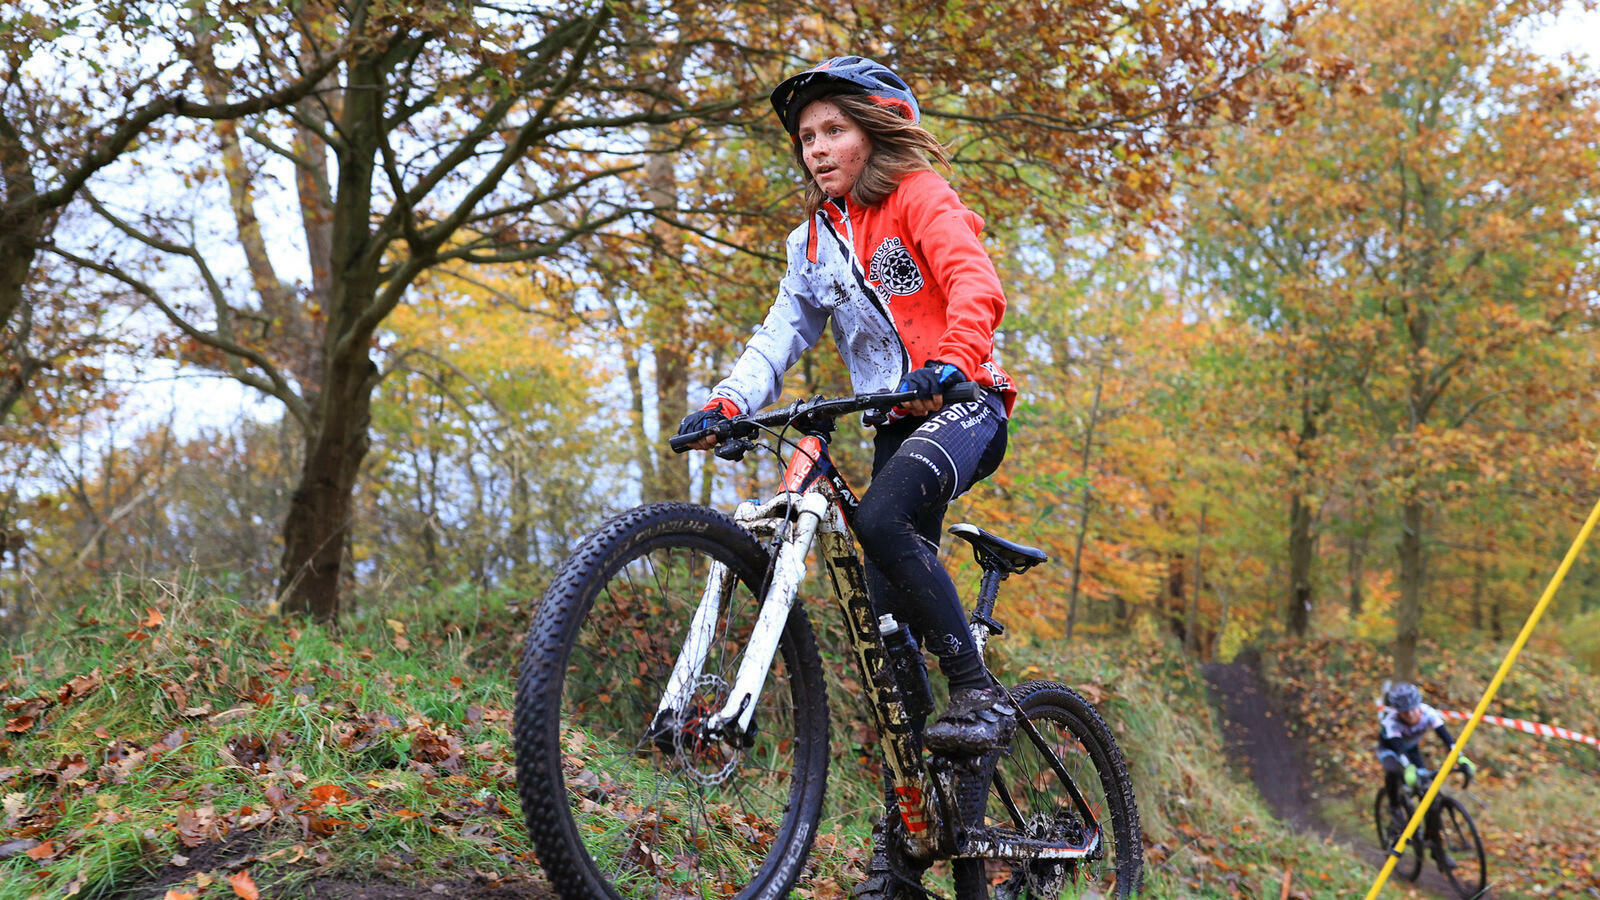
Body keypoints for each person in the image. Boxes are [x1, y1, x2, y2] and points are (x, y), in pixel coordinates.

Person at [676, 56, 1017, 897]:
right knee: (885, 635)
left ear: (877, 130)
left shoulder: (919, 197)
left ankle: (977, 691)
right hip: (895, 420)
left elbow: (974, 282)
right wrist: (728, 401)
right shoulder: (814, 242)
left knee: (882, 520)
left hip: (965, 400)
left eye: (835, 130)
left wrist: (951, 361)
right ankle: (908, 848)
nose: (818, 148)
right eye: (807, 138)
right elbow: (780, 333)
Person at [1375, 682, 1476, 856]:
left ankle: (1435, 846)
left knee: (1429, 794)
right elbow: (1399, 749)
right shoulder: (1391, 721)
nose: (1411, 715)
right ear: (1397, 712)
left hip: (1411, 750)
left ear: (1419, 705)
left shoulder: (1428, 713)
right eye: (1405, 712)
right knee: (1393, 770)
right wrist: (1408, 768)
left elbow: (1447, 739)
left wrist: (1461, 758)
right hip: (1391, 750)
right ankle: (1394, 808)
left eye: (1413, 709)